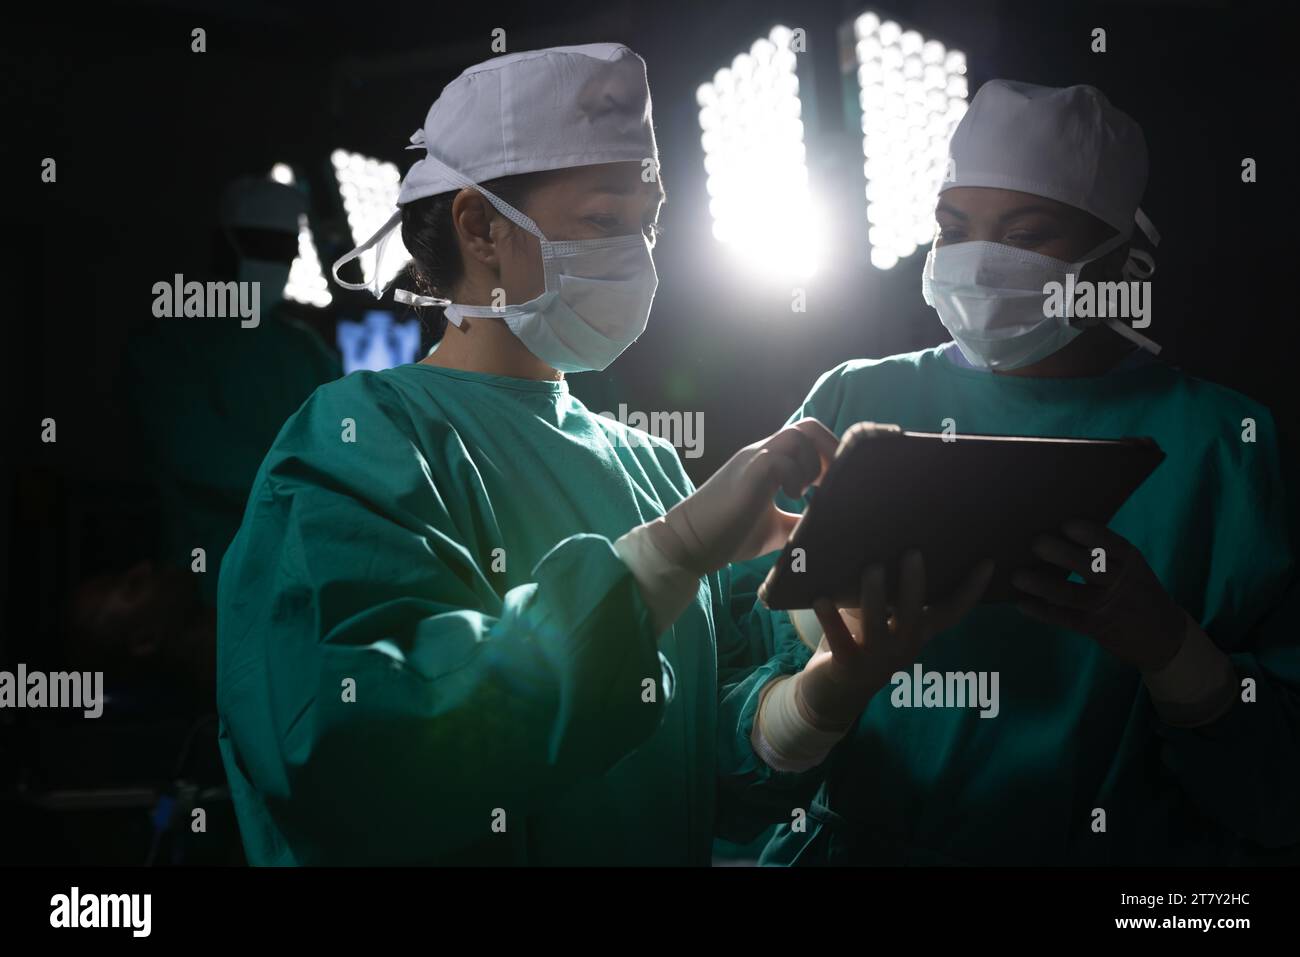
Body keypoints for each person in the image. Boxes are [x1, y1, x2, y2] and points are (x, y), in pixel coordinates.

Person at [216, 44, 981, 866]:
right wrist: (664, 556)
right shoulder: (363, 437)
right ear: (479, 226)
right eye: (604, 223)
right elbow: (362, 749)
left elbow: (693, 766)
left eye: (648, 226)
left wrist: (825, 690)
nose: (639, 257)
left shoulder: (648, 465)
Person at [736, 80, 1299, 865]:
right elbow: (734, 732)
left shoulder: (1223, 444)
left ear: (1117, 258)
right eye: (954, 228)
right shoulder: (857, 397)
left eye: (1027, 234)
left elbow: (1279, 789)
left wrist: (1172, 649)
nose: (979, 262)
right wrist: (826, 682)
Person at [122, 176, 342, 611]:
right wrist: (309, 488)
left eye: (285, 250)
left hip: (305, 581)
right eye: (260, 246)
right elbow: (198, 459)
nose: (275, 260)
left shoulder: (304, 349)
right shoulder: (169, 344)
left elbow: (342, 447)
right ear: (223, 247)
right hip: (205, 586)